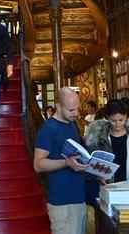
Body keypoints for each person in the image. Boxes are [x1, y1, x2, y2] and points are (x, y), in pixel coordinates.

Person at [34, 88, 88, 234]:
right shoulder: (48, 129)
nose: (76, 113)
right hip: (63, 202)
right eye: (71, 110)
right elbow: (38, 164)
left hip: (78, 198)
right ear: (58, 106)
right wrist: (66, 163)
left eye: (77, 109)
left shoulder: (72, 124)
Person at [85, 98, 129, 185]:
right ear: (107, 118)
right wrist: (97, 175)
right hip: (108, 186)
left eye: (121, 120)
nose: (118, 124)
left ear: (126, 116)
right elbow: (90, 163)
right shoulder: (98, 136)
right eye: (113, 121)